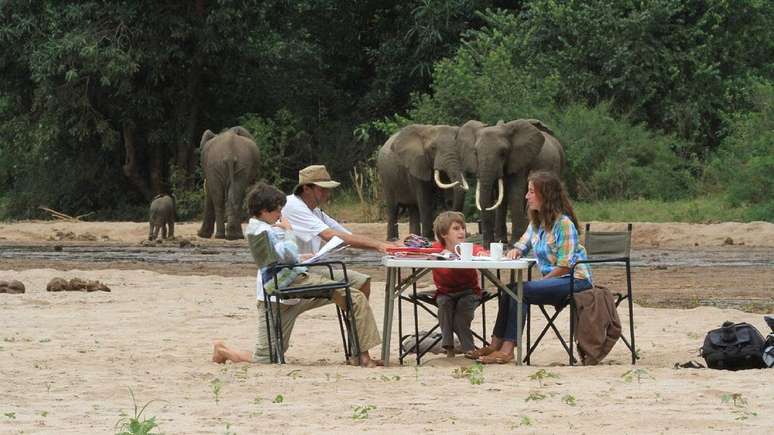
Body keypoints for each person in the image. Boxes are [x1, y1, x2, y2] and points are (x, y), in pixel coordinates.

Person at [212, 182, 383, 367]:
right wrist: (289, 230)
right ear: (264, 211)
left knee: (355, 291)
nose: (280, 214)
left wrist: (301, 257)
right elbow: (288, 255)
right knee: (266, 358)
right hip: (283, 292)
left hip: (291, 287)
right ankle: (223, 351)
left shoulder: (261, 228)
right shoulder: (263, 231)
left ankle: (360, 354)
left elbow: (279, 257)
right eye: (277, 210)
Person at [467, 171, 593, 364]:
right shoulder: (537, 224)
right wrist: (516, 251)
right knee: (509, 289)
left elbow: (566, 266)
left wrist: (542, 281)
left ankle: (507, 350)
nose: (527, 196)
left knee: (521, 291)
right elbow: (522, 244)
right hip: (555, 281)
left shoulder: (564, 224)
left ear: (546, 195)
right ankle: (495, 345)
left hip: (575, 281)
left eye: (531, 192)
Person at [281, 164, 396, 299]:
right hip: (287, 276)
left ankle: (354, 313)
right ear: (306, 189)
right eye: (322, 189)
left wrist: (389, 245)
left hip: (302, 269)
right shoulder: (293, 205)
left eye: (328, 189)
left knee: (361, 282)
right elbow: (329, 235)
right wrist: (379, 245)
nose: (327, 193)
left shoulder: (315, 211)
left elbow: (347, 236)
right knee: (356, 285)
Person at [430, 211, 488, 357]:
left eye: (463, 228)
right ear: (444, 234)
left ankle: (469, 349)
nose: (462, 231)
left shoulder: (468, 248)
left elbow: (480, 250)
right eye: (456, 229)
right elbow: (420, 252)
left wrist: (482, 253)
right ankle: (448, 346)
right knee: (443, 305)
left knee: (460, 315)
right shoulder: (435, 249)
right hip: (445, 292)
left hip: (469, 291)